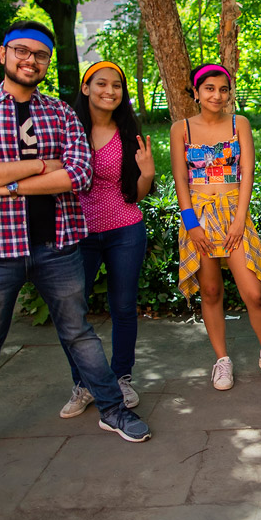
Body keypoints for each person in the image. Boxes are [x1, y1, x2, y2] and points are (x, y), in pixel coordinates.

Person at [0, 21, 151, 473]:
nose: (30, 61)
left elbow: (77, 175)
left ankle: (113, 409)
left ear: (48, 62)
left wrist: (5, 182)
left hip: (58, 245)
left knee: (79, 331)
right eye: (22, 52)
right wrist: (37, 168)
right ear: (3, 54)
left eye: (40, 55)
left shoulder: (62, 115)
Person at [170, 63, 261, 391]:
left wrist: (239, 220)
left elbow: (247, 172)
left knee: (253, 292)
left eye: (223, 89)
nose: (217, 95)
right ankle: (222, 360)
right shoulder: (181, 129)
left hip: (235, 212)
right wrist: (191, 223)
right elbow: (180, 177)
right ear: (196, 92)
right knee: (210, 290)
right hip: (199, 216)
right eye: (209, 88)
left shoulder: (240, 124)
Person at [57, 60, 155, 417]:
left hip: (124, 230)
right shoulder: (67, 130)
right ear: (86, 88)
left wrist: (146, 173)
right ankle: (84, 383)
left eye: (117, 85)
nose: (110, 91)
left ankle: (121, 377)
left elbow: (136, 194)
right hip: (77, 232)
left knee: (124, 307)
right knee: (72, 310)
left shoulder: (129, 133)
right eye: (101, 84)